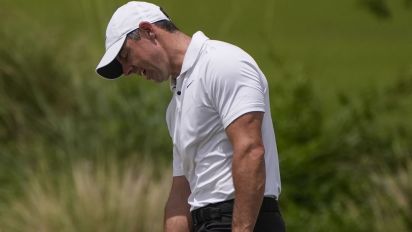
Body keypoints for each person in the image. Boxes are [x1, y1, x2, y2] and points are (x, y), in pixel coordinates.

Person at [96, 2, 285, 231]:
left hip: (246, 220)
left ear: (148, 31)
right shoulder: (175, 107)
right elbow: (181, 190)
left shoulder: (222, 63)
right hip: (206, 222)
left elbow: (250, 150)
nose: (127, 71)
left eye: (126, 56)